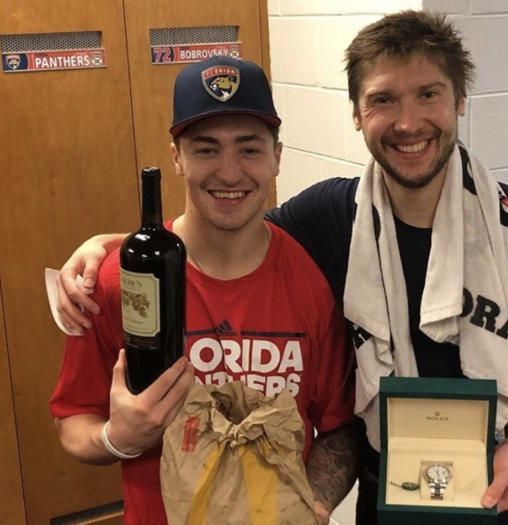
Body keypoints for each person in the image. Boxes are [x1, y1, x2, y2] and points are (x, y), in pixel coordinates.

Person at [54, 11, 508, 524]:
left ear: (460, 100)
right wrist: (113, 248)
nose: (408, 122)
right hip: (384, 501)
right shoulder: (331, 217)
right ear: (358, 114)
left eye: (429, 94)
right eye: (384, 99)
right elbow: (225, 224)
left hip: (501, 497)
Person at [49, 56, 359, 525]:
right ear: (176, 157)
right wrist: (118, 438)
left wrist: (311, 507)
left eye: (249, 149)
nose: (230, 173)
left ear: (278, 156)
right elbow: (72, 421)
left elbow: (339, 428)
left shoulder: (310, 282)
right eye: (206, 149)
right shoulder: (120, 283)